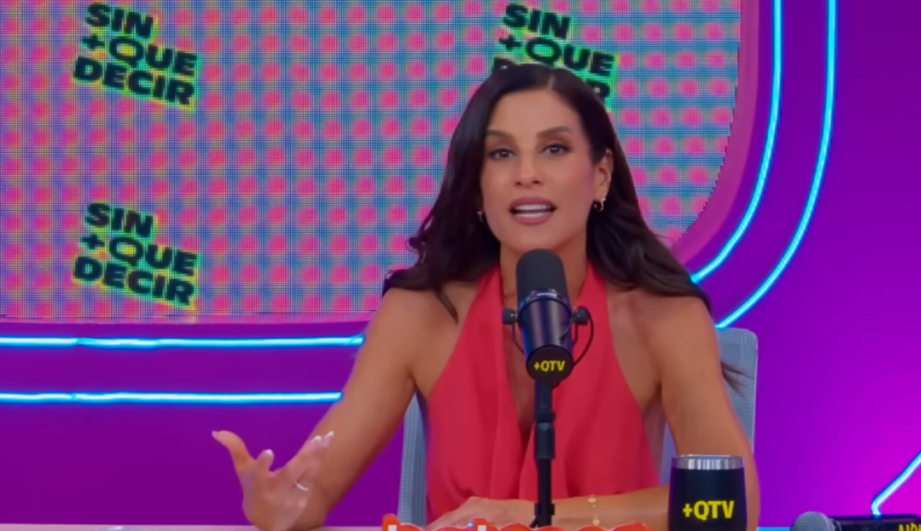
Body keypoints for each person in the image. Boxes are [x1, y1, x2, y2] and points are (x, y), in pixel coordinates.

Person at [213, 63, 760, 531]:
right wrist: (282, 507)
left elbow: (731, 506)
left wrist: (536, 517)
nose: (526, 174)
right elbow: (313, 492)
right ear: (478, 187)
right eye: (501, 154)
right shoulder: (420, 313)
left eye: (553, 149)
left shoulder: (662, 317)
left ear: (600, 176)